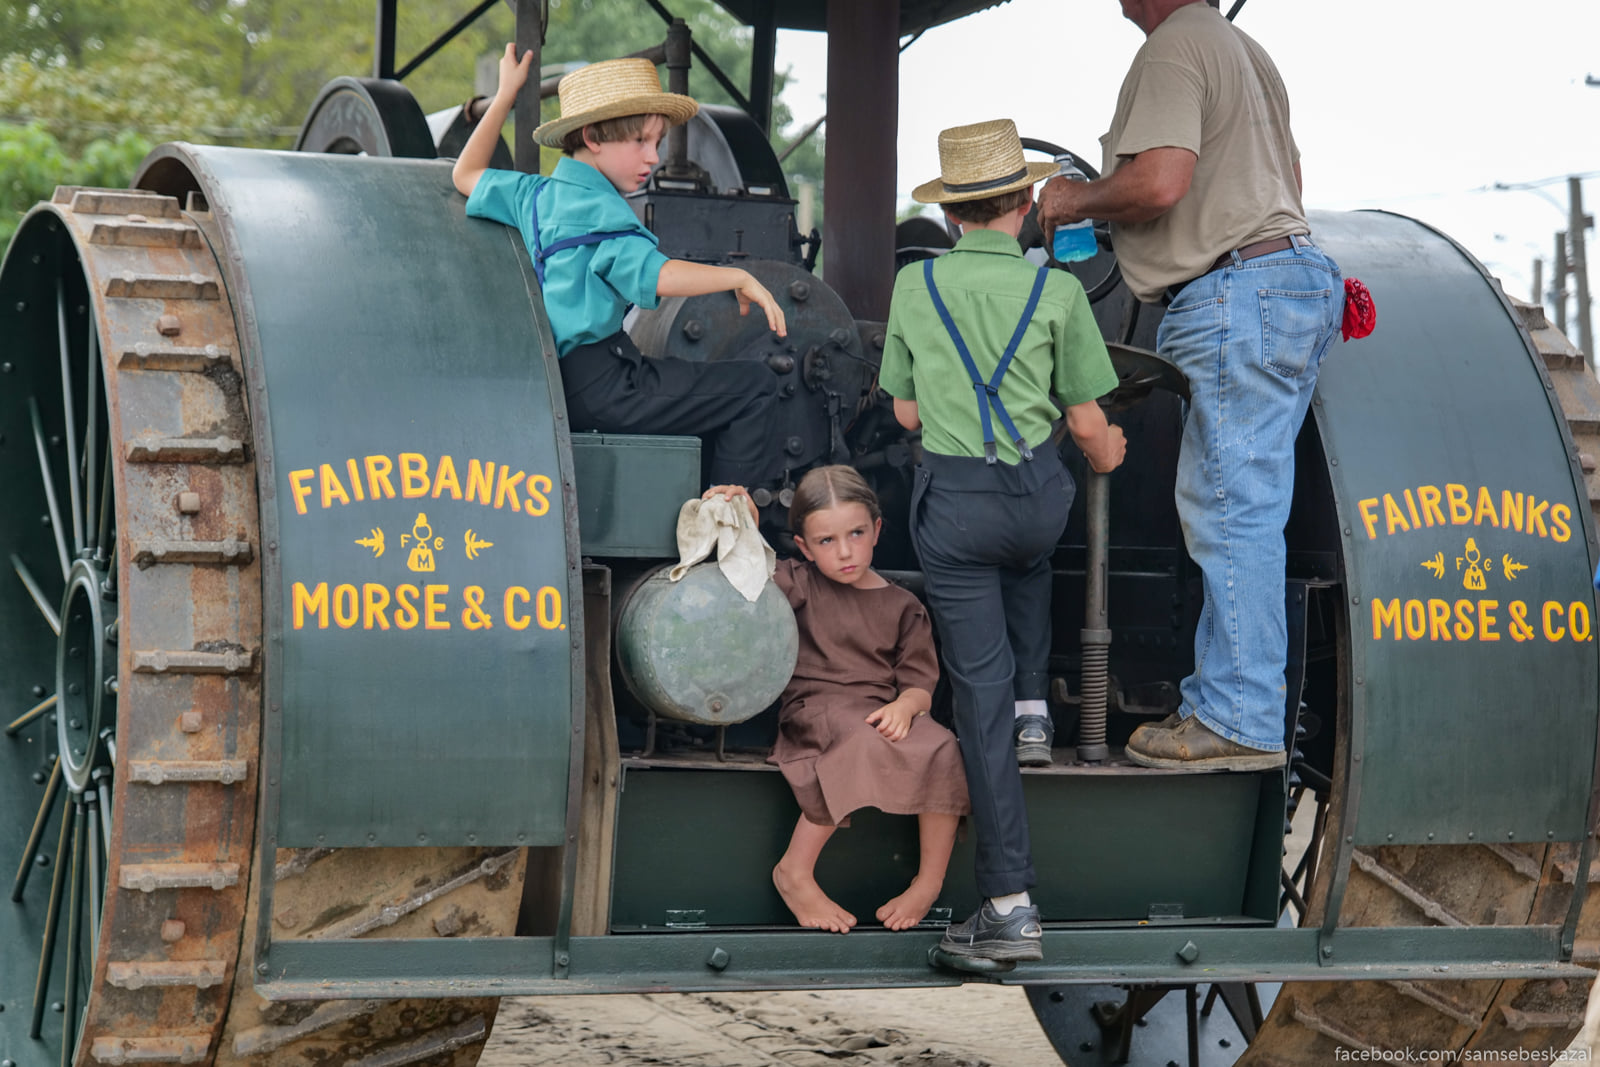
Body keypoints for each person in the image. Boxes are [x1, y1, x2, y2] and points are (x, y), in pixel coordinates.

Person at [1036, 0, 1344, 773]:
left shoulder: (1174, 45)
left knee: (1231, 510)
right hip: (1289, 278)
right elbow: (1289, 182)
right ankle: (1231, 702)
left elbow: (1162, 180)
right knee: (1246, 509)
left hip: (1234, 291)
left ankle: (1238, 717)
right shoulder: (1243, 49)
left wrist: (1072, 199)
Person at [879, 119, 1126, 962]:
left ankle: (1010, 905)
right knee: (1028, 555)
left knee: (972, 695)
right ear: (1025, 205)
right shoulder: (1056, 292)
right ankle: (1035, 713)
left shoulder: (917, 285)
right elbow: (1088, 426)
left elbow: (905, 412)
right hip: (1037, 502)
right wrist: (1108, 450)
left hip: (957, 507)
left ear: (952, 214)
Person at [452, 46, 788, 487]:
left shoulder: (534, 195)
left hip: (562, 381)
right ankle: (724, 515)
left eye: (657, 143)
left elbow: (465, 173)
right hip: (607, 387)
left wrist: (505, 95)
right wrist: (739, 276)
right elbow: (660, 275)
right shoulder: (601, 213)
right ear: (593, 138)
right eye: (640, 142)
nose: (653, 157)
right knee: (755, 386)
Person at [705, 469, 970, 934]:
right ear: (804, 547)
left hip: (879, 709)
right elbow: (746, 571)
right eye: (826, 541)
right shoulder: (798, 582)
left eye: (856, 534)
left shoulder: (903, 605)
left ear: (877, 530)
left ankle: (928, 882)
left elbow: (918, 685)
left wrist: (905, 707)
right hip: (814, 708)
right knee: (862, 740)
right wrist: (742, 519)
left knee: (943, 746)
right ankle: (794, 871)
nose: (845, 552)